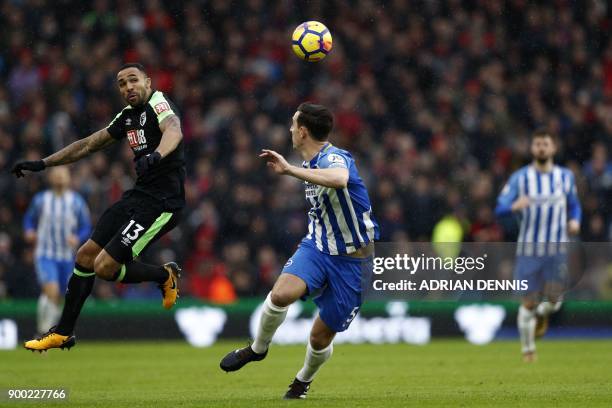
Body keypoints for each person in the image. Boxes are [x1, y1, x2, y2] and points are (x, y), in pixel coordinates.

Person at [12, 63, 185, 352]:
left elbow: (174, 129)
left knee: (105, 267)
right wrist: (43, 163)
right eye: (121, 83)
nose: (128, 87)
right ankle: (63, 332)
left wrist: (155, 156)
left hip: (163, 202)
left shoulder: (159, 102)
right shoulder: (128, 116)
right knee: (86, 255)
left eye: (133, 80)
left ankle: (164, 275)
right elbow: (89, 144)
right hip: (138, 196)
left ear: (148, 82)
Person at [219, 102, 379, 399]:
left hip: (353, 263)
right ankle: (257, 349)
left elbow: (340, 179)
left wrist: (290, 170)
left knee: (319, 338)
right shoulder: (307, 165)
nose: (291, 129)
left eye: (294, 124)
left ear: (303, 132)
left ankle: (302, 380)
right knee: (280, 294)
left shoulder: (335, 157)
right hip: (317, 247)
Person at [495, 128, 581, 362]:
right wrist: (514, 206)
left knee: (554, 301)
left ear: (553, 148)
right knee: (528, 301)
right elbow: (499, 207)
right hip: (528, 251)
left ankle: (543, 315)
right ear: (532, 149)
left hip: (556, 249)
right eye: (537, 144)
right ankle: (528, 350)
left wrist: (575, 220)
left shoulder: (565, 177)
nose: (541, 148)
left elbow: (574, 205)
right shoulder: (520, 178)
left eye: (545, 144)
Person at [23, 167, 91, 335]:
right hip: (45, 254)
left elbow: (86, 226)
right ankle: (42, 333)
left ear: (69, 178)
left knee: (60, 297)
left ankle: (49, 331)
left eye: (63, 174)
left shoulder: (76, 201)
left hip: (67, 257)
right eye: (57, 174)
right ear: (51, 178)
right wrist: (29, 231)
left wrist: (78, 237)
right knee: (51, 291)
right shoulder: (41, 200)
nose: (60, 177)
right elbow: (29, 219)